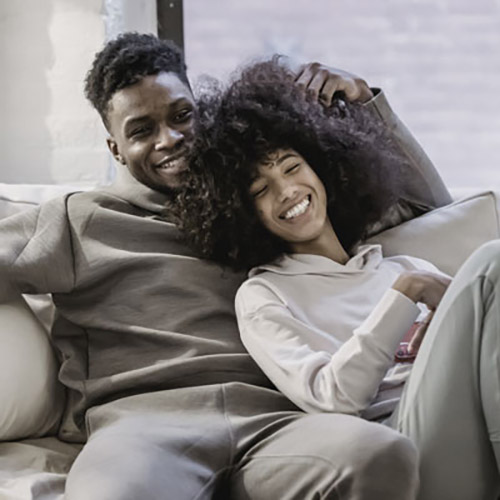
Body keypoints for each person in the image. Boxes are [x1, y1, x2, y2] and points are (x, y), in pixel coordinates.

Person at [0, 33, 449, 499]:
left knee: (380, 453)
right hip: (144, 425)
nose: (169, 139)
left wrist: (365, 102)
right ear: (115, 148)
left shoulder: (263, 203)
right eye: (141, 130)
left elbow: (429, 210)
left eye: (181, 115)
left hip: (279, 420)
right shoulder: (81, 219)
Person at [174, 59, 500, 500]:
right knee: (492, 262)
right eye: (260, 190)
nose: (287, 191)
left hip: (478, 425)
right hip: (407, 447)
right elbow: (333, 399)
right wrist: (404, 296)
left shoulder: (401, 265)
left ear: (322, 167)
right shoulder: (265, 295)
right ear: (242, 213)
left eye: (291, 167)